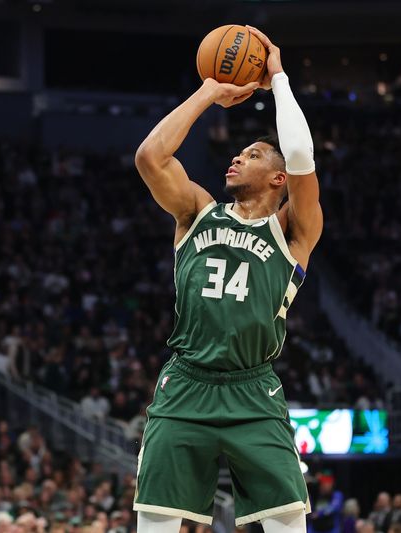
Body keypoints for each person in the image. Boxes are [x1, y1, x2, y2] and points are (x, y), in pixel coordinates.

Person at [132, 25, 322, 533]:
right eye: (240, 153)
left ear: (278, 180)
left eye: (254, 154)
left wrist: (277, 76)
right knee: (155, 524)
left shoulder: (293, 230)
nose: (238, 156)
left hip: (253, 390)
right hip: (185, 385)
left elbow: (302, 157)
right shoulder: (197, 211)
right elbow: (151, 157)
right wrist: (210, 92)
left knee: (288, 525)